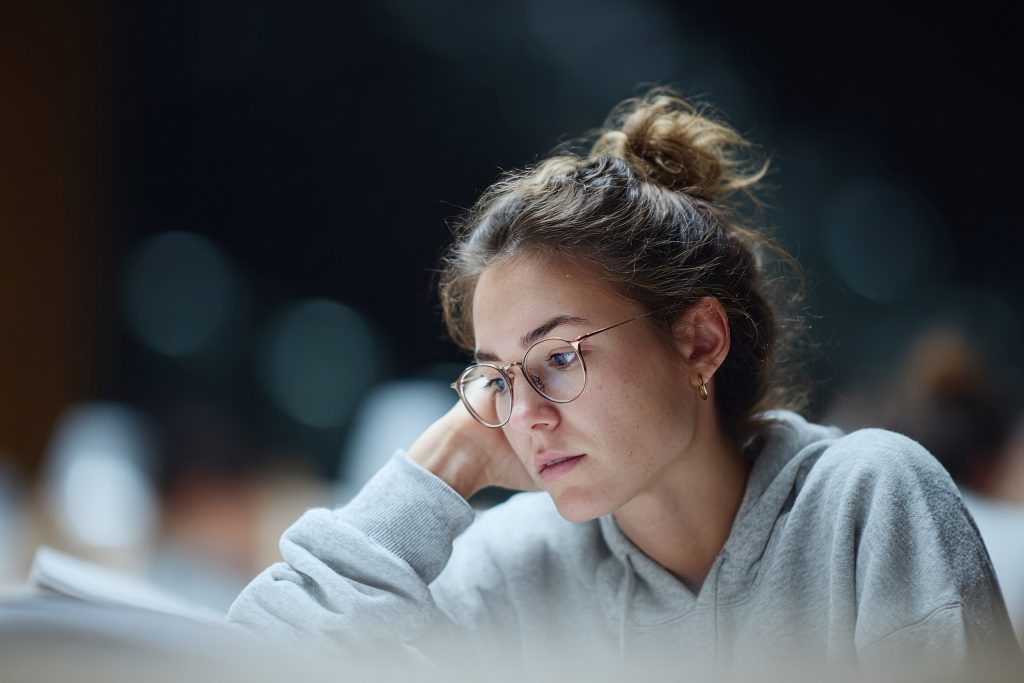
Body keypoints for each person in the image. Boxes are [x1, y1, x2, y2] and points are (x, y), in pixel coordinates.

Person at [228, 89, 1018, 675]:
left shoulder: (866, 503)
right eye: (500, 378)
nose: (525, 416)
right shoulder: (513, 568)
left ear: (700, 340)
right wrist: (448, 462)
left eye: (559, 358)